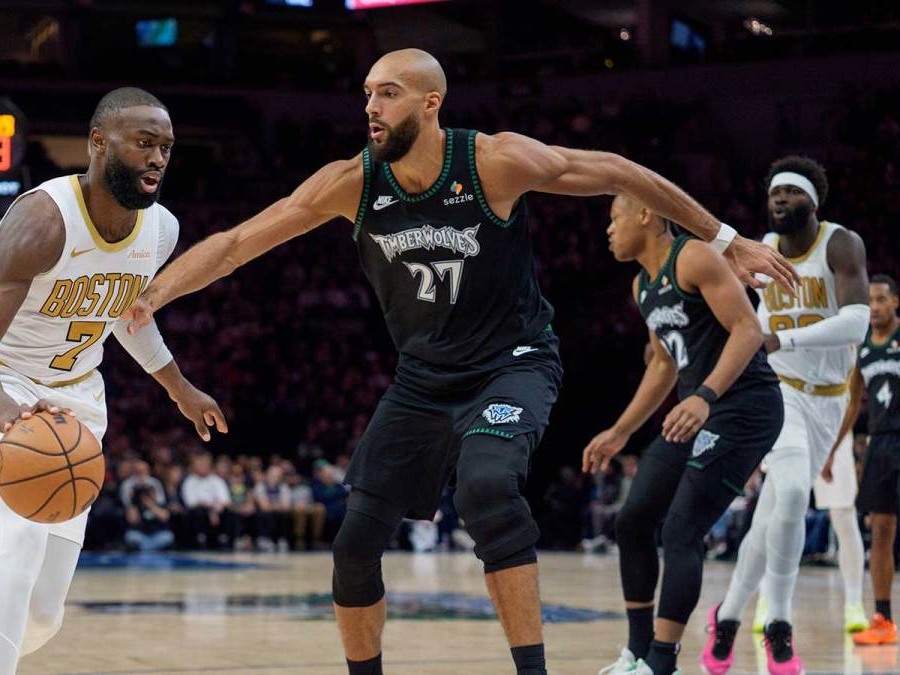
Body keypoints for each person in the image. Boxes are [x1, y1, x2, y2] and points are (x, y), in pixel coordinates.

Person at [119, 49, 796, 675]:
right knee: (353, 545)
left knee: (487, 487)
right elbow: (235, 243)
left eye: (388, 93)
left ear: (431, 103)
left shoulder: (494, 162)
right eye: (367, 93)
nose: (371, 107)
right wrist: (156, 293)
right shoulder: (353, 182)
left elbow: (620, 172)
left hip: (513, 363)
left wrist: (725, 238)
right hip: (423, 379)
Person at [0, 87, 227, 675]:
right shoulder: (43, 220)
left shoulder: (161, 230)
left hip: (77, 402)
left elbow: (125, 315)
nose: (157, 158)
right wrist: (12, 419)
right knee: (19, 539)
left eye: (166, 147)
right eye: (143, 143)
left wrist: (179, 387)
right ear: (99, 143)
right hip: (1, 385)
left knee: (45, 614)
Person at [585, 197, 783, 675]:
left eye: (614, 219)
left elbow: (748, 330)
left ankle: (662, 661)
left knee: (681, 529)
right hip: (698, 412)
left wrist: (705, 396)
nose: (609, 230)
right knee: (632, 521)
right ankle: (636, 653)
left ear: (645, 215)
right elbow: (663, 364)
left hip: (744, 407)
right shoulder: (642, 285)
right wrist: (620, 431)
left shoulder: (693, 256)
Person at [701, 157, 869, 675]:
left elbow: (857, 324)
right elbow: (733, 313)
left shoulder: (840, 244)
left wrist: (783, 337)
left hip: (830, 398)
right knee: (794, 492)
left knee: (773, 513)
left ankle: (728, 616)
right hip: (778, 391)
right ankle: (779, 621)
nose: (779, 200)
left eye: (791, 193)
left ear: (812, 203)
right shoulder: (761, 250)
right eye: (774, 193)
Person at [835, 275, 900, 645]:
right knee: (880, 531)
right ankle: (883, 619)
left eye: (881, 299)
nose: (874, 307)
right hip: (879, 444)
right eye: (870, 301)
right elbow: (852, 404)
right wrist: (832, 449)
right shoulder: (862, 347)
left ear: (895, 302)